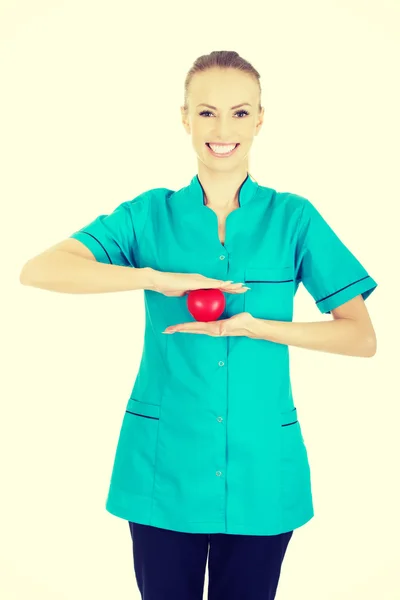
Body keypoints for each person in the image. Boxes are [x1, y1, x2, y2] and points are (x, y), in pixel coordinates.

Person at [20, 50, 378, 600]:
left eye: (239, 113)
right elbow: (40, 269)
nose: (222, 129)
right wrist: (153, 278)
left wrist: (259, 327)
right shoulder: (148, 214)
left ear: (260, 119)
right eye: (206, 112)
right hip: (164, 464)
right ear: (184, 117)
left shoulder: (294, 217)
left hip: (262, 467)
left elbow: (360, 336)